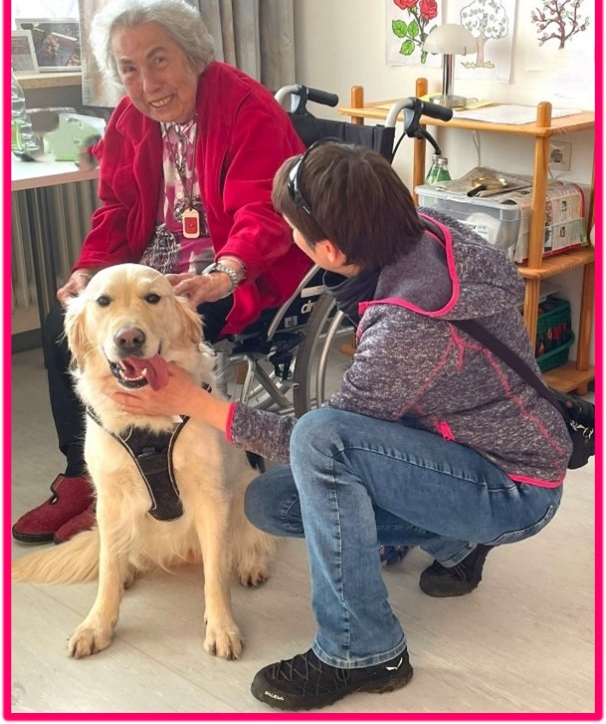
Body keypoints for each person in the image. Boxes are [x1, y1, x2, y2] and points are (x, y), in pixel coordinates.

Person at [110, 141, 571, 711]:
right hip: (469, 445)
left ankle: (362, 648)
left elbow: (316, 441)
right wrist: (221, 280)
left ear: (328, 249)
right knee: (272, 503)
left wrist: (194, 402)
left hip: (515, 487)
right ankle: (457, 543)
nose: (289, 235)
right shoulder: (422, 231)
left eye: (294, 229)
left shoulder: (407, 327)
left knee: (320, 440)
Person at [12, 0, 311, 546]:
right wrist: (88, 272)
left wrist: (225, 272)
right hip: (146, 274)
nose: (148, 84)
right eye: (129, 68)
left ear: (192, 53)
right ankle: (86, 476)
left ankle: (171, 468)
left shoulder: (246, 108)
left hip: (233, 271)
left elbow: (264, 210)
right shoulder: (130, 118)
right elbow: (116, 209)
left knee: (167, 335)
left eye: (159, 60)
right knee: (63, 327)